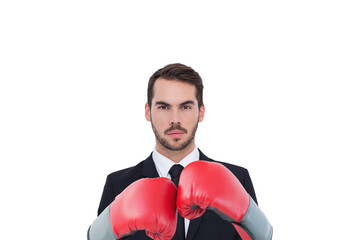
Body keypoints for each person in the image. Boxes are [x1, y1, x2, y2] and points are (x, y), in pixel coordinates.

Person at [88, 63, 272, 240]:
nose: (175, 119)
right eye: (163, 107)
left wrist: (258, 228)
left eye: (185, 107)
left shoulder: (237, 178)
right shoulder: (119, 184)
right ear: (147, 112)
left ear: (201, 112)